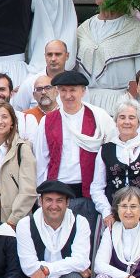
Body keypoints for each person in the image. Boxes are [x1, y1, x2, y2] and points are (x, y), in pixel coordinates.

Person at [31, 71, 111, 229]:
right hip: (57, 197)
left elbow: (115, 147)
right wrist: (42, 197)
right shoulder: (48, 121)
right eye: (63, 90)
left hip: (89, 195)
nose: (68, 95)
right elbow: (41, 161)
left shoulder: (99, 117)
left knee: (87, 246)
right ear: (57, 91)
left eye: (73, 90)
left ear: (83, 91)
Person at [75, 0, 140, 112]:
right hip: (85, 102)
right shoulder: (83, 30)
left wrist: (127, 104)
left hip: (120, 104)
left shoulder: (135, 29)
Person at [90, 102, 140, 236]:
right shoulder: (106, 149)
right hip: (114, 219)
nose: (126, 122)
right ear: (116, 121)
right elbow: (97, 187)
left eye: (132, 118)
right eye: (122, 117)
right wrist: (106, 212)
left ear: (139, 122)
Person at [0, 101, 36, 226]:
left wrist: (13, 221)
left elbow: (28, 191)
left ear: (12, 122)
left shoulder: (22, 149)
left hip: (13, 220)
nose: (0, 121)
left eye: (4, 117)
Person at [11, 39, 71, 110]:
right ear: (45, 56)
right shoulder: (30, 83)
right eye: (49, 54)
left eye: (58, 54)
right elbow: (18, 113)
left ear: (67, 56)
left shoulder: (75, 83)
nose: (53, 59)